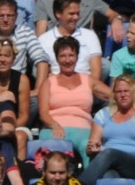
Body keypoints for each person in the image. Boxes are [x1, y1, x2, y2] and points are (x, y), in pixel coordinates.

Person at [38, 36, 111, 167]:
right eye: (63, 56)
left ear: (77, 57)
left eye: (71, 55)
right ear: (57, 58)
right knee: (53, 146)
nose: (67, 60)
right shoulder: (48, 82)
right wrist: (55, 126)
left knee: (88, 145)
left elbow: (115, 95)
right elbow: (43, 113)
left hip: (83, 129)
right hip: (54, 127)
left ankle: (87, 183)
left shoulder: (88, 80)